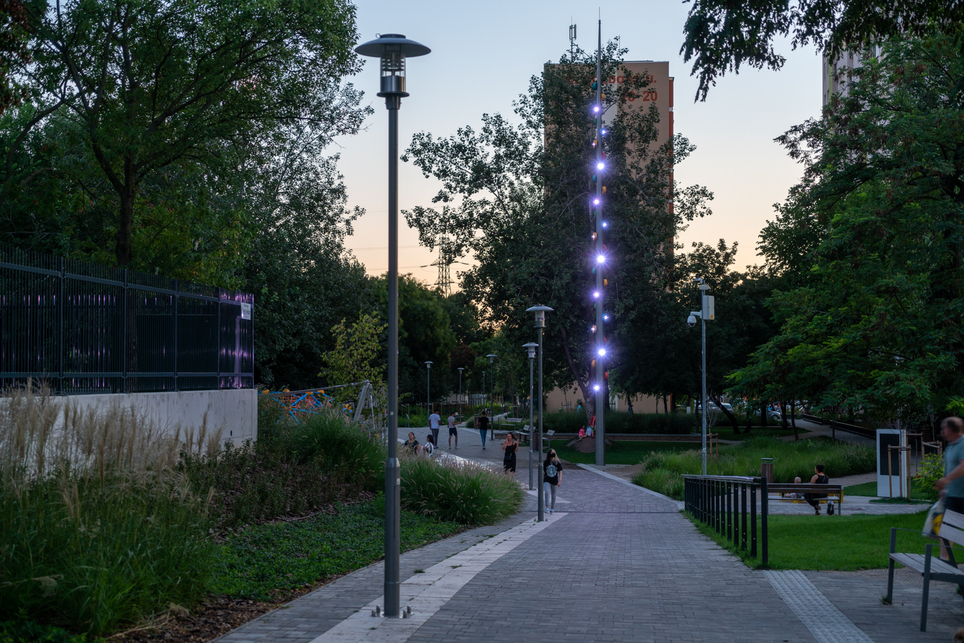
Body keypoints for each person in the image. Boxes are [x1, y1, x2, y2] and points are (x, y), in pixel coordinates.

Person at [934, 416, 964, 560]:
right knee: (947, 528)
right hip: (953, 495)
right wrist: (943, 490)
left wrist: (946, 480)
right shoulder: (950, 446)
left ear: (950, 429)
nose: (942, 431)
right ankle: (944, 561)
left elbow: (963, 467)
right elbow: (949, 468)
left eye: (943, 428)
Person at [543, 449, 563, 514]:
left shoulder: (557, 462)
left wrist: (560, 480)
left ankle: (552, 508)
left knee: (553, 494)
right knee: (547, 492)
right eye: (551, 452)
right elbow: (544, 471)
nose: (552, 454)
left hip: (554, 480)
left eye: (553, 452)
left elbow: (560, 471)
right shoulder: (546, 462)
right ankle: (547, 507)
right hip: (547, 479)